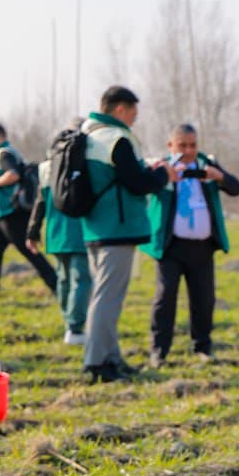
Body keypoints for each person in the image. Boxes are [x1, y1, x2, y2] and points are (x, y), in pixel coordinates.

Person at [80, 86, 177, 383]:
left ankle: (111, 357)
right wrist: (163, 175)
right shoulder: (116, 139)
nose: (135, 120)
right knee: (107, 298)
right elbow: (136, 182)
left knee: (105, 295)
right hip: (116, 228)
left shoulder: (89, 135)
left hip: (95, 226)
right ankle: (96, 364)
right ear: (120, 109)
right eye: (133, 114)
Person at [141, 123, 239, 368]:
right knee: (165, 299)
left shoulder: (208, 164)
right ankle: (159, 351)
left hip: (203, 248)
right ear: (171, 146)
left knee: (204, 300)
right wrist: (162, 172)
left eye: (193, 145)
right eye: (182, 145)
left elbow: (236, 188)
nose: (188, 151)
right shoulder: (161, 167)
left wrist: (219, 177)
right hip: (170, 247)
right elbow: (144, 185)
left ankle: (203, 347)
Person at [26, 123, 91, 345]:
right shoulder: (87, 161)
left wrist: (33, 231)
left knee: (63, 278)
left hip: (56, 232)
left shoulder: (47, 166)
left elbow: (40, 202)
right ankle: (75, 328)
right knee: (81, 279)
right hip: (81, 230)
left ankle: (69, 324)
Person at [0, 123, 58, 295]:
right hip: (5, 215)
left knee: (29, 251)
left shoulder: (4, 154)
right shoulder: (3, 153)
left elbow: (13, 175)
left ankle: (56, 284)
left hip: (13, 212)